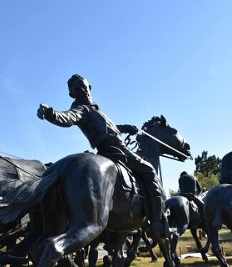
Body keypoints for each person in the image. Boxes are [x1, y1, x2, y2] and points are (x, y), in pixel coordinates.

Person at [37, 74, 167, 238]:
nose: (82, 90)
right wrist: (51, 114)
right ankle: (156, 221)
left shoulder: (95, 110)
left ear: (90, 87)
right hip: (117, 152)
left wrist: (127, 127)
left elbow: (110, 129)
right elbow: (68, 118)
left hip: (116, 149)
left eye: (84, 86)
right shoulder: (81, 109)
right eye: (77, 89)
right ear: (72, 94)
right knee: (149, 171)